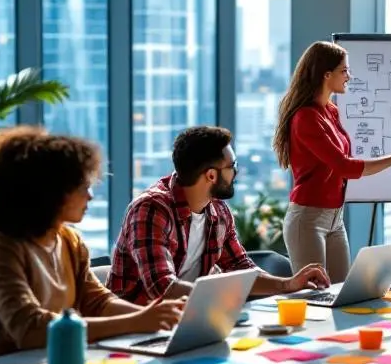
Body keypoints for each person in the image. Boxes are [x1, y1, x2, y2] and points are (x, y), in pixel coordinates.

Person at [0, 127, 184, 364]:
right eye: (82, 187)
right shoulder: (0, 245)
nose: (90, 196)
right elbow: (29, 329)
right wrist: (137, 321)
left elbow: (96, 302)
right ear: (49, 193)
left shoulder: (69, 240)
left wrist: (154, 317)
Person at [108, 126, 330, 304]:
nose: (236, 172)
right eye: (232, 166)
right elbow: (162, 288)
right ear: (212, 175)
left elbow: (240, 267)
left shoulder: (218, 211)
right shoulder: (151, 210)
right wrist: (223, 299)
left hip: (188, 319)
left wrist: (288, 284)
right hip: (134, 329)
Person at [273, 41, 391, 282]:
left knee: (340, 291)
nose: (349, 76)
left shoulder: (330, 111)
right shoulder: (306, 117)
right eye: (344, 71)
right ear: (327, 75)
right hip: (308, 218)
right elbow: (345, 166)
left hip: (336, 217)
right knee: (316, 296)